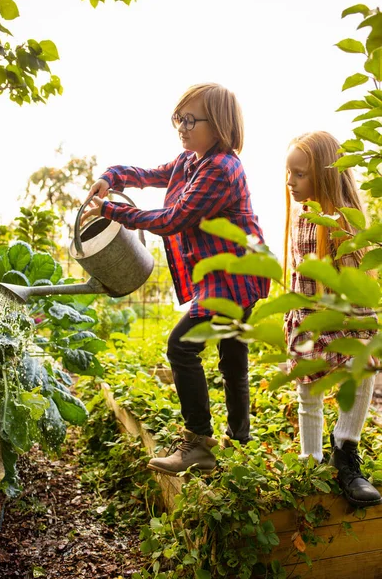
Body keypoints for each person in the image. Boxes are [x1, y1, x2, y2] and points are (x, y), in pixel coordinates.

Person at [82, 83, 270, 476]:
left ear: (218, 125)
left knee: (182, 348)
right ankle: (240, 442)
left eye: (190, 120)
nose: (182, 127)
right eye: (178, 119)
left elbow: (174, 219)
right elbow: (151, 175)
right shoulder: (190, 160)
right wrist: (111, 176)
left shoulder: (222, 168)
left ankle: (199, 444)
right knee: (233, 358)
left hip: (235, 277)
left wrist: (114, 212)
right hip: (219, 275)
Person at [285, 130, 381, 507]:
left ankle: (345, 454)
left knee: (362, 374)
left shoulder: (342, 222)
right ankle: (310, 463)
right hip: (306, 321)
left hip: (342, 323)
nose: (291, 181)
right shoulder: (300, 216)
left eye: (300, 174)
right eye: (288, 173)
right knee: (308, 393)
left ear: (325, 174)